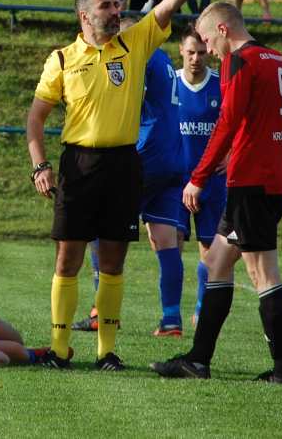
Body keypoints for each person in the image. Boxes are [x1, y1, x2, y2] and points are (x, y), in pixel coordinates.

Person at [26, 0, 218, 371]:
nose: (116, 11)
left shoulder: (133, 46)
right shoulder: (61, 59)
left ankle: (106, 351)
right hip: (77, 164)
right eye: (106, 6)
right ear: (84, 16)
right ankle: (58, 351)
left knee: (113, 259)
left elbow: (167, 5)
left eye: (116, 5)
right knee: (67, 256)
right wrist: (40, 165)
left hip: (123, 164)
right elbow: (35, 119)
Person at [150, 1, 282, 384]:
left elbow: (228, 121)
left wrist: (198, 177)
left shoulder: (239, 62)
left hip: (252, 182)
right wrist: (280, 165)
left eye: (205, 39)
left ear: (221, 30)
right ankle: (198, 360)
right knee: (217, 261)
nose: (207, 50)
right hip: (266, 180)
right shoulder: (281, 61)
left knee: (263, 273)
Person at [72, 17, 187, 337]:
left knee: (99, 226)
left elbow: (125, 103)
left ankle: (101, 312)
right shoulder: (164, 59)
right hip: (172, 158)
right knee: (165, 240)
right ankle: (171, 319)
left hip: (143, 156)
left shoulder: (139, 55)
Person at [175, 25, 231, 327]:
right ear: (181, 51)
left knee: (209, 250)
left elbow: (237, 120)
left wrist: (231, 153)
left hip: (212, 182)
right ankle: (171, 315)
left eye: (200, 52)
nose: (195, 58)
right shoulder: (170, 83)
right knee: (171, 245)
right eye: (190, 52)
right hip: (176, 180)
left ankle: (200, 307)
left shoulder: (220, 83)